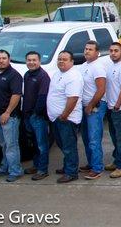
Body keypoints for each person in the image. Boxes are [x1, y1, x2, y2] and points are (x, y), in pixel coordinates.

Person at [48, 50, 84, 183]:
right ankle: (67, 166)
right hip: (56, 118)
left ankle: (72, 172)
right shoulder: (58, 73)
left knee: (69, 146)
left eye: (64, 59)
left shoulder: (73, 76)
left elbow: (73, 98)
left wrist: (64, 115)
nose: (61, 61)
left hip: (67, 119)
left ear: (72, 62)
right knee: (62, 144)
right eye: (59, 59)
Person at [0, 49, 24, 182]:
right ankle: (5, 167)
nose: (1, 60)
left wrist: (7, 113)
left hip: (9, 117)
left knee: (11, 145)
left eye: (4, 58)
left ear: (9, 60)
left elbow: (16, 95)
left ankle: (15, 171)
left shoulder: (14, 75)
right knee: (3, 144)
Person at [79, 40, 107, 180]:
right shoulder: (84, 66)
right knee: (86, 138)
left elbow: (101, 89)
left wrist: (91, 105)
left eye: (90, 49)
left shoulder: (98, 67)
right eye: (86, 48)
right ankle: (91, 163)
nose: (87, 51)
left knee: (94, 139)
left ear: (97, 52)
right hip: (84, 107)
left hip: (95, 107)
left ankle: (97, 168)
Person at [104, 42, 121, 178]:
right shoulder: (111, 66)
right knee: (114, 137)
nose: (113, 53)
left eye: (116, 51)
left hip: (119, 109)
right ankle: (117, 160)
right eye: (111, 50)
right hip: (111, 107)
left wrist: (117, 105)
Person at [22, 51, 51, 181]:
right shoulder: (27, 75)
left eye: (34, 60)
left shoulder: (43, 76)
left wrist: (36, 113)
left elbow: (43, 96)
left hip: (38, 116)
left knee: (41, 144)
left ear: (39, 61)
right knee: (34, 143)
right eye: (29, 60)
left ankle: (42, 170)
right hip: (28, 115)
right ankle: (36, 165)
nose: (31, 62)